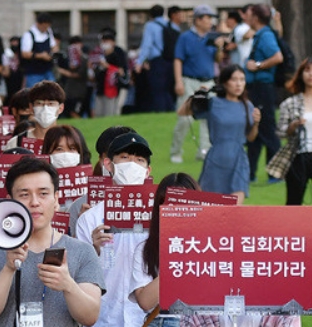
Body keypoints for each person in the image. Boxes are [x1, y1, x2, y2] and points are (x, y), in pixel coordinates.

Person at [0, 157, 105, 326]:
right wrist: (8, 268)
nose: (34, 202)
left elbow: (90, 317)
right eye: (24, 195)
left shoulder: (82, 251)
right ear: (10, 200)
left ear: (56, 199)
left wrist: (68, 285)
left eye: (43, 194)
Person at [76, 132, 153, 327]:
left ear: (147, 171)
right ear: (109, 165)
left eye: (139, 160)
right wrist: (93, 249)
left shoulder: (159, 217)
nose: (132, 164)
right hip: (103, 317)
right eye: (125, 158)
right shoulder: (89, 219)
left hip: (148, 317)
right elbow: (79, 274)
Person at [177, 65, 260, 204]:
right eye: (234, 80)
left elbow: (251, 137)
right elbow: (182, 112)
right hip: (216, 158)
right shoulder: (213, 103)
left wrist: (256, 123)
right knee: (210, 207)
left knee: (235, 208)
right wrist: (198, 95)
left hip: (239, 159)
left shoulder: (248, 105)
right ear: (225, 82)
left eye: (242, 79)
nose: (239, 84)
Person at [129, 173, 201, 327]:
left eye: (184, 205)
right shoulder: (145, 249)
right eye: (169, 205)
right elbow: (145, 302)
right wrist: (178, 258)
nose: (177, 212)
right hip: (162, 320)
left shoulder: (213, 246)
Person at [170, 4, 225, 164]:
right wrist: (178, 81)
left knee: (208, 119)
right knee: (185, 118)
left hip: (208, 82)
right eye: (207, 18)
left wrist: (220, 48)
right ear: (198, 20)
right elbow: (178, 60)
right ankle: (176, 151)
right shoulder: (185, 37)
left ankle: (204, 151)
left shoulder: (212, 37)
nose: (210, 22)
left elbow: (218, 60)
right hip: (189, 81)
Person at [244, 3, 283, 183]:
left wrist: (258, 65)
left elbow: (278, 57)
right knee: (255, 129)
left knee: (267, 129)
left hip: (263, 88)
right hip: (256, 88)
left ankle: (275, 174)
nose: (247, 17)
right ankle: (250, 173)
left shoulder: (265, 35)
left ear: (256, 18)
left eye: (249, 14)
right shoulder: (261, 35)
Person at [271, 58, 312, 205]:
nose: (310, 74)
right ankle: (293, 228)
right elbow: (280, 133)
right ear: (301, 74)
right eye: (307, 70)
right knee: (294, 201)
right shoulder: (289, 103)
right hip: (298, 154)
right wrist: (292, 126)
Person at [135, 5, 179, 113]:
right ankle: (171, 112)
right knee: (167, 90)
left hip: (157, 62)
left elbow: (147, 45)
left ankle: (161, 112)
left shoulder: (150, 25)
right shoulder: (171, 25)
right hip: (171, 62)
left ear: (151, 15)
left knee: (157, 90)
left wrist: (139, 62)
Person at [5, 80, 65, 150]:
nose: (45, 109)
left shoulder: (69, 141)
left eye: (51, 104)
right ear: (31, 108)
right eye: (39, 104)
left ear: (60, 108)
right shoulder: (16, 143)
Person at [20, 13, 59, 88]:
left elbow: (54, 46)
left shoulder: (48, 32)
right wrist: (41, 56)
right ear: (38, 24)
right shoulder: (29, 35)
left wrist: (53, 53)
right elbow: (25, 54)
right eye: (44, 26)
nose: (46, 28)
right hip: (34, 72)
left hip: (47, 70)